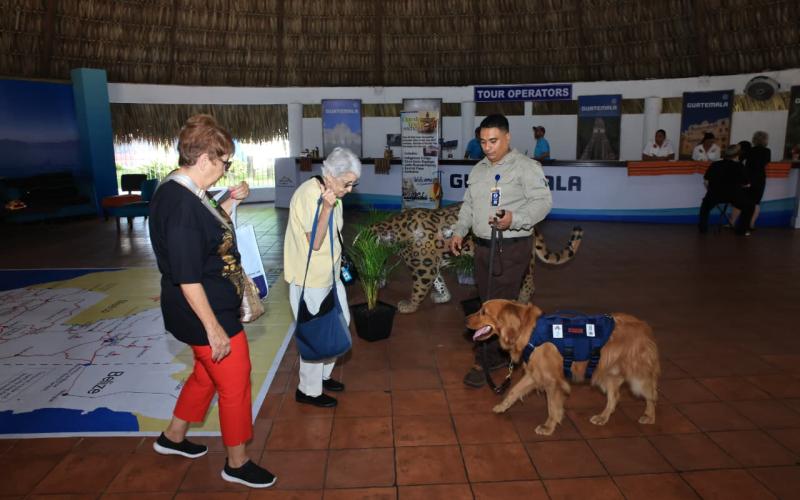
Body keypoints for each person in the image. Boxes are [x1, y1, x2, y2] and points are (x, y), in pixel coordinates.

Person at [149, 114, 276, 488]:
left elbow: (207, 238)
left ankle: (173, 437)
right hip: (202, 312)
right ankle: (237, 463)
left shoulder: (181, 191)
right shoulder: (184, 206)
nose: (224, 170)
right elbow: (189, 277)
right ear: (204, 158)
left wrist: (230, 203)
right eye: (223, 162)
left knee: (206, 374)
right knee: (235, 382)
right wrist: (214, 328)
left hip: (196, 308)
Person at [450, 114, 553, 388]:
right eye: (483, 141)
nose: (487, 147)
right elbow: (469, 206)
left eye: (493, 141)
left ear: (507, 138)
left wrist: (514, 218)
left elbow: (543, 203)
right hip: (483, 247)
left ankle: (486, 359)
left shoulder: (525, 167)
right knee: (488, 302)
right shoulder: (479, 169)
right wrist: (459, 231)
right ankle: (502, 351)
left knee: (497, 307)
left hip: (511, 246)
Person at [284, 147, 361, 408]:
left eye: (353, 184)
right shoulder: (310, 195)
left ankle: (324, 377)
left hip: (330, 274)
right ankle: (308, 391)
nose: (349, 190)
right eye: (346, 183)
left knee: (341, 323)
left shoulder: (331, 195)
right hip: (311, 279)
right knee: (317, 334)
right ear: (329, 176)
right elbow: (315, 243)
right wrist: (326, 208)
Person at [697, 144, 754, 236]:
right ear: (737, 155)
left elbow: (706, 181)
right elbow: (746, 184)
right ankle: (742, 230)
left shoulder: (715, 164)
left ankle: (703, 229)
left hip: (715, 194)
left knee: (705, 207)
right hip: (734, 196)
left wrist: (710, 190)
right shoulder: (740, 166)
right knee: (750, 206)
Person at [743, 131, 770, 229]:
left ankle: (740, 222)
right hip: (760, 178)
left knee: (746, 201)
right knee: (756, 202)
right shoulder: (767, 151)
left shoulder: (749, 151)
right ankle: (751, 224)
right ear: (765, 140)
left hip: (748, 178)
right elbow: (765, 163)